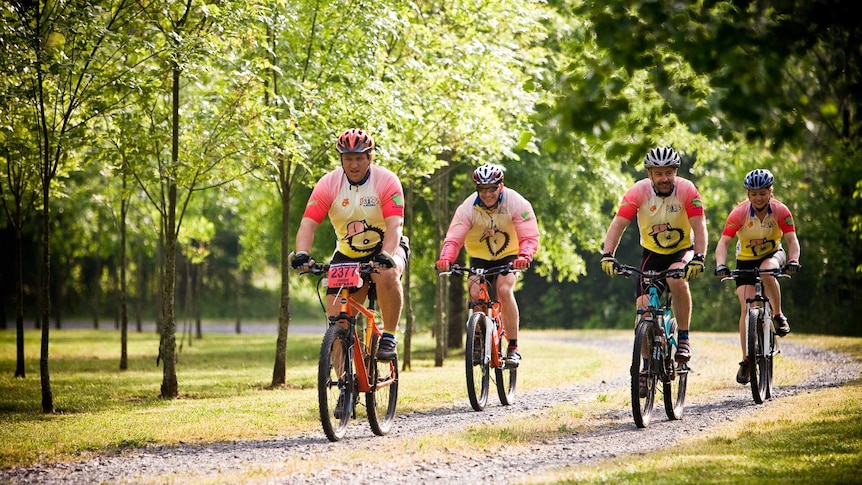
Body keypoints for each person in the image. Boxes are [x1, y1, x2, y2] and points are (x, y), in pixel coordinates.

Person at [290, 128, 409, 361]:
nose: (353, 165)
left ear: (369, 158)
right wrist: (302, 254)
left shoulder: (386, 181)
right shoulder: (328, 184)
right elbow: (308, 224)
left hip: (386, 247)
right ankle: (343, 389)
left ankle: (389, 336)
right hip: (347, 253)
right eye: (348, 159)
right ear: (341, 159)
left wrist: (387, 255)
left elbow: (395, 225)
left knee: (387, 273)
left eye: (358, 158)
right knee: (338, 324)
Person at [600, 146, 708, 367]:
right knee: (643, 310)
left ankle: (684, 338)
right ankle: (647, 365)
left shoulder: (687, 190)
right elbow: (618, 224)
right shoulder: (638, 192)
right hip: (652, 254)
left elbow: (700, 226)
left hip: (682, 251)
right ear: (650, 174)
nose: (664, 178)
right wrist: (608, 255)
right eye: (659, 173)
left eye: (669, 172)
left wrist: (699, 256)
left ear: (675, 172)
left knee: (675, 279)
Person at [435, 163, 539, 367]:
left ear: (501, 186)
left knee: (503, 290)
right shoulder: (467, 207)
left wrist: (525, 256)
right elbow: (453, 238)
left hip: (509, 256)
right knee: (474, 292)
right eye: (483, 189)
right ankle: (477, 339)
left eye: (492, 188)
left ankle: (513, 347)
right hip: (479, 258)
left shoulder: (515, 202)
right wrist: (446, 259)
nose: (488, 194)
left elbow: (528, 234)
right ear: (477, 189)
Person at [714, 168, 800, 384]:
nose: (758, 198)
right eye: (754, 194)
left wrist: (794, 260)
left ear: (771, 191)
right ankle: (746, 358)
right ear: (748, 194)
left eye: (763, 193)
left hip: (773, 254)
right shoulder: (739, 213)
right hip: (745, 259)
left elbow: (791, 240)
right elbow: (723, 243)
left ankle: (778, 315)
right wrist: (721, 265)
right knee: (746, 307)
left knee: (767, 269)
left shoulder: (781, 211)